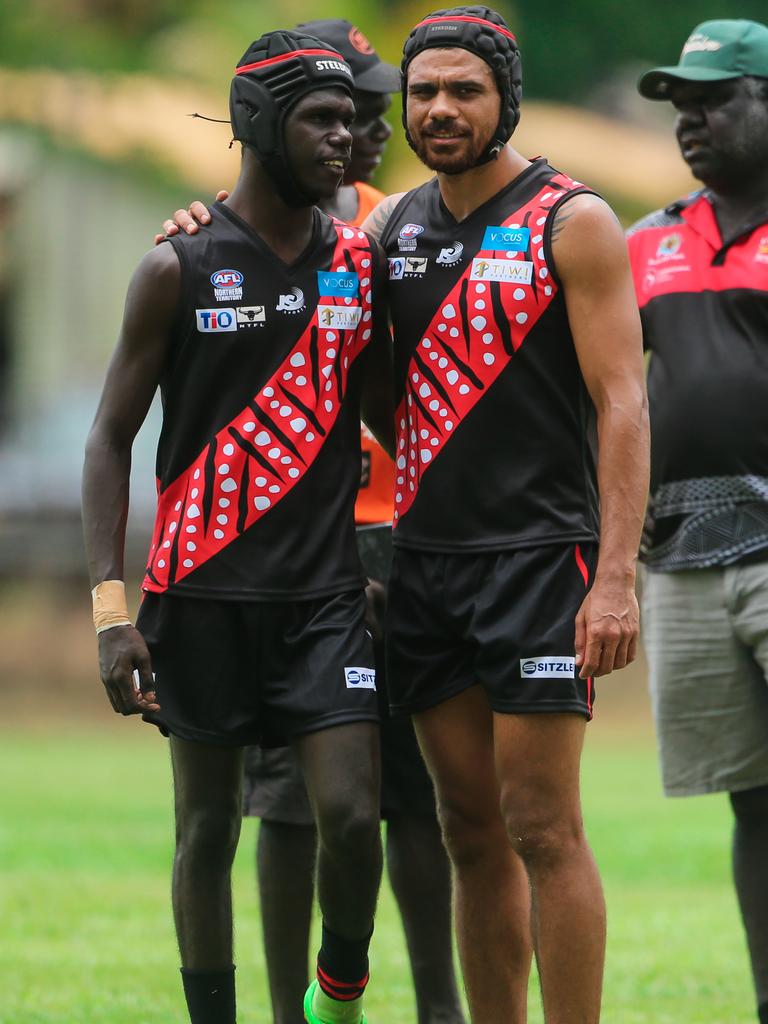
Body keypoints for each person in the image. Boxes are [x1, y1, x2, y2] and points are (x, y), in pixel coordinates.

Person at [171, 8, 650, 1022]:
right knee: (466, 826)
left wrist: (613, 576)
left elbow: (624, 404)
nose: (439, 110)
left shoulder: (575, 219)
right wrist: (191, 223)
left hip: (539, 564)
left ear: (504, 100)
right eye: (422, 92)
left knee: (543, 826)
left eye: (463, 91)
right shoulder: (389, 231)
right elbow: (284, 260)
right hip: (425, 567)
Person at [82, 29, 395, 1024]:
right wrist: (109, 609)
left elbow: (401, 414)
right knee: (207, 828)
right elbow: (107, 441)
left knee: (352, 817)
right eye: (322, 118)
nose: (346, 137)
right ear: (259, 124)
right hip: (200, 596)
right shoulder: (176, 265)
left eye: (351, 119)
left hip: (325, 602)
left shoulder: (361, 262)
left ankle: (333, 997)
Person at [234, 21, 465, 1024]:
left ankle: (439, 1005)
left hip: (404, 535)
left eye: (375, 107)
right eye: (347, 106)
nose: (370, 124)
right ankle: (295, 1010)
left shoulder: (394, 229)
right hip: (296, 548)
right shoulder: (230, 239)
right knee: (291, 799)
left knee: (416, 792)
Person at [628, 20, 768, 1024]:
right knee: (751, 799)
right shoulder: (646, 240)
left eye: (715, 102)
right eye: (681, 107)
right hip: (680, 555)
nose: (692, 122)